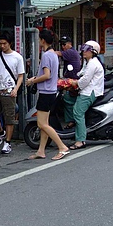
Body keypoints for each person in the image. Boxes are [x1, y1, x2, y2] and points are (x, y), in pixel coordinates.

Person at [25, 29, 71, 160]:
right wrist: (36, 78)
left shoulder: (46, 55)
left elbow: (46, 75)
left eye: (39, 39)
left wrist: (32, 80)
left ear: (43, 40)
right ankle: (41, 150)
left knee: (41, 124)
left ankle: (62, 147)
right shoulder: (53, 54)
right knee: (45, 123)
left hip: (45, 93)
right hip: (51, 92)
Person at [0, 31, 25, 154]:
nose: (2, 46)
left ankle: (8, 142)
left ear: (10, 43)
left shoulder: (17, 57)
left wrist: (16, 89)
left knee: (9, 118)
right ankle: (1, 133)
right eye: (0, 44)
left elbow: (21, 76)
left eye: (4, 43)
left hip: (10, 91)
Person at [68, 40, 105, 150]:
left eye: (86, 50)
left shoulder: (93, 63)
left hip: (89, 92)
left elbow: (85, 80)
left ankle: (80, 140)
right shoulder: (88, 62)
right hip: (86, 89)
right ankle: (71, 123)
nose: (84, 51)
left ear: (93, 52)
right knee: (67, 99)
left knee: (78, 112)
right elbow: (81, 73)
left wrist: (75, 83)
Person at [57, 35, 82, 129]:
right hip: (70, 81)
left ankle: (72, 121)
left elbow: (57, 53)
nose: (63, 47)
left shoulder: (70, 52)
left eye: (64, 44)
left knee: (68, 99)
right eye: (61, 44)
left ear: (70, 44)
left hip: (74, 81)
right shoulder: (70, 52)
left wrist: (47, 50)